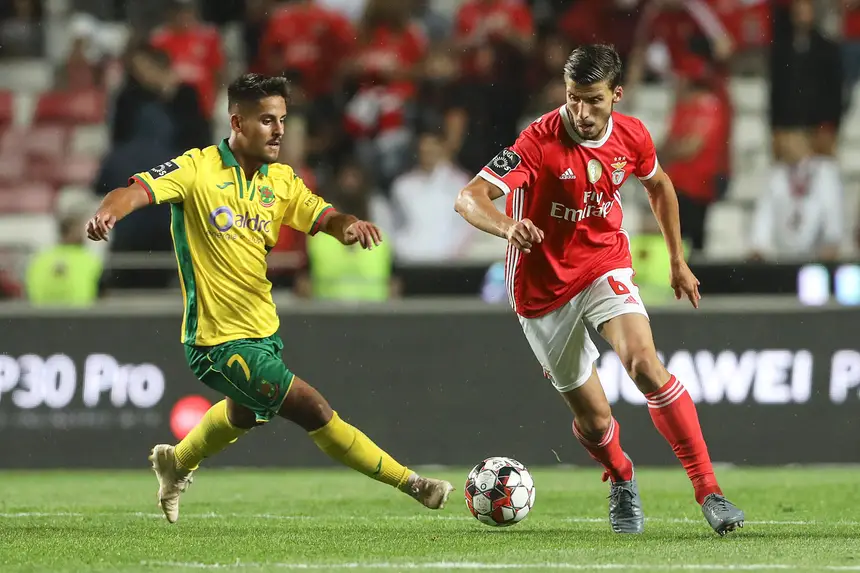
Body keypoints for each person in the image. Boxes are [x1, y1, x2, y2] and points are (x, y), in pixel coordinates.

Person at [85, 73, 453, 524]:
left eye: (282, 119)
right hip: (216, 341)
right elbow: (135, 191)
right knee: (313, 408)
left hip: (263, 332)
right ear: (237, 122)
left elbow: (325, 216)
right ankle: (414, 484)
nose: (279, 130)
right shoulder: (197, 168)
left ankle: (177, 462)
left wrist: (349, 226)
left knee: (244, 415)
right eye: (267, 121)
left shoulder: (281, 182)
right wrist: (108, 212)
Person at [454, 44, 744, 536]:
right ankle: (621, 475)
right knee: (594, 420)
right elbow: (469, 197)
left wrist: (677, 260)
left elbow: (660, 185)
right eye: (573, 98)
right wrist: (507, 226)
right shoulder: (537, 141)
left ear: (616, 95)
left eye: (593, 100)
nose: (582, 112)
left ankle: (709, 491)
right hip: (542, 288)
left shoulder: (633, 136)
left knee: (644, 364)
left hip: (603, 264)